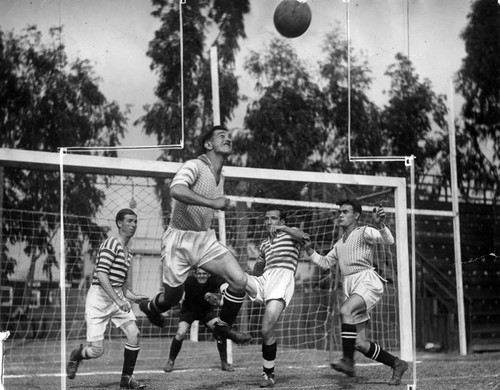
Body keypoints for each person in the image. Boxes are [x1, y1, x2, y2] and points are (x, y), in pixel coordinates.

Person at [139, 125, 251, 345]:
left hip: (204, 239)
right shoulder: (195, 165)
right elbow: (176, 190)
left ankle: (222, 328)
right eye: (222, 136)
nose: (228, 138)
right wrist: (213, 203)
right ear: (208, 144)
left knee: (239, 280)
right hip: (179, 240)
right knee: (171, 299)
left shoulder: (222, 176)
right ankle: (150, 307)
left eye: (229, 136)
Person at [304, 198, 408, 386]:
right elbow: (325, 263)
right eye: (339, 212)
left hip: (367, 281)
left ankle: (348, 361)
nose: (341, 215)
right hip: (351, 287)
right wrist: (310, 250)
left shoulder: (364, 231)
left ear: (356, 215)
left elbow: (389, 241)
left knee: (345, 311)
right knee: (360, 343)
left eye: (345, 212)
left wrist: (380, 224)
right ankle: (397, 363)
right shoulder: (339, 243)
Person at [66, 208, 148, 389]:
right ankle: (77, 355)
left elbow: (121, 283)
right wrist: (118, 300)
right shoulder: (111, 244)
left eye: (135, 221)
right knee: (96, 351)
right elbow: (102, 275)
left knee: (134, 334)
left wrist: (133, 297)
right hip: (99, 298)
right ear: (119, 223)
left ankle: (127, 378)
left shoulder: (129, 252)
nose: (133, 225)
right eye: (129, 221)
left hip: (116, 295)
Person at [246, 207, 309, 388]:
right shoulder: (265, 244)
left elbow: (304, 237)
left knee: (266, 330)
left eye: (273, 218)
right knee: (237, 278)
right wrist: (257, 266)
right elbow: (259, 270)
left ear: (282, 222)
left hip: (281, 281)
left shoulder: (290, 235)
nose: (269, 222)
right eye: (267, 218)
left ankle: (268, 375)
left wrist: (283, 229)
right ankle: (223, 295)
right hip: (265, 280)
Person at [163, 268, 234, 373]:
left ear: (209, 274)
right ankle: (170, 361)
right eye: (199, 274)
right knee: (180, 333)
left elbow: (225, 287)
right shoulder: (188, 281)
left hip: (206, 312)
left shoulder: (215, 280)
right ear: (195, 274)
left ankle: (224, 362)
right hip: (189, 311)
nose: (202, 276)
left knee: (220, 330)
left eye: (204, 273)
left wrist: (219, 296)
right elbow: (177, 288)